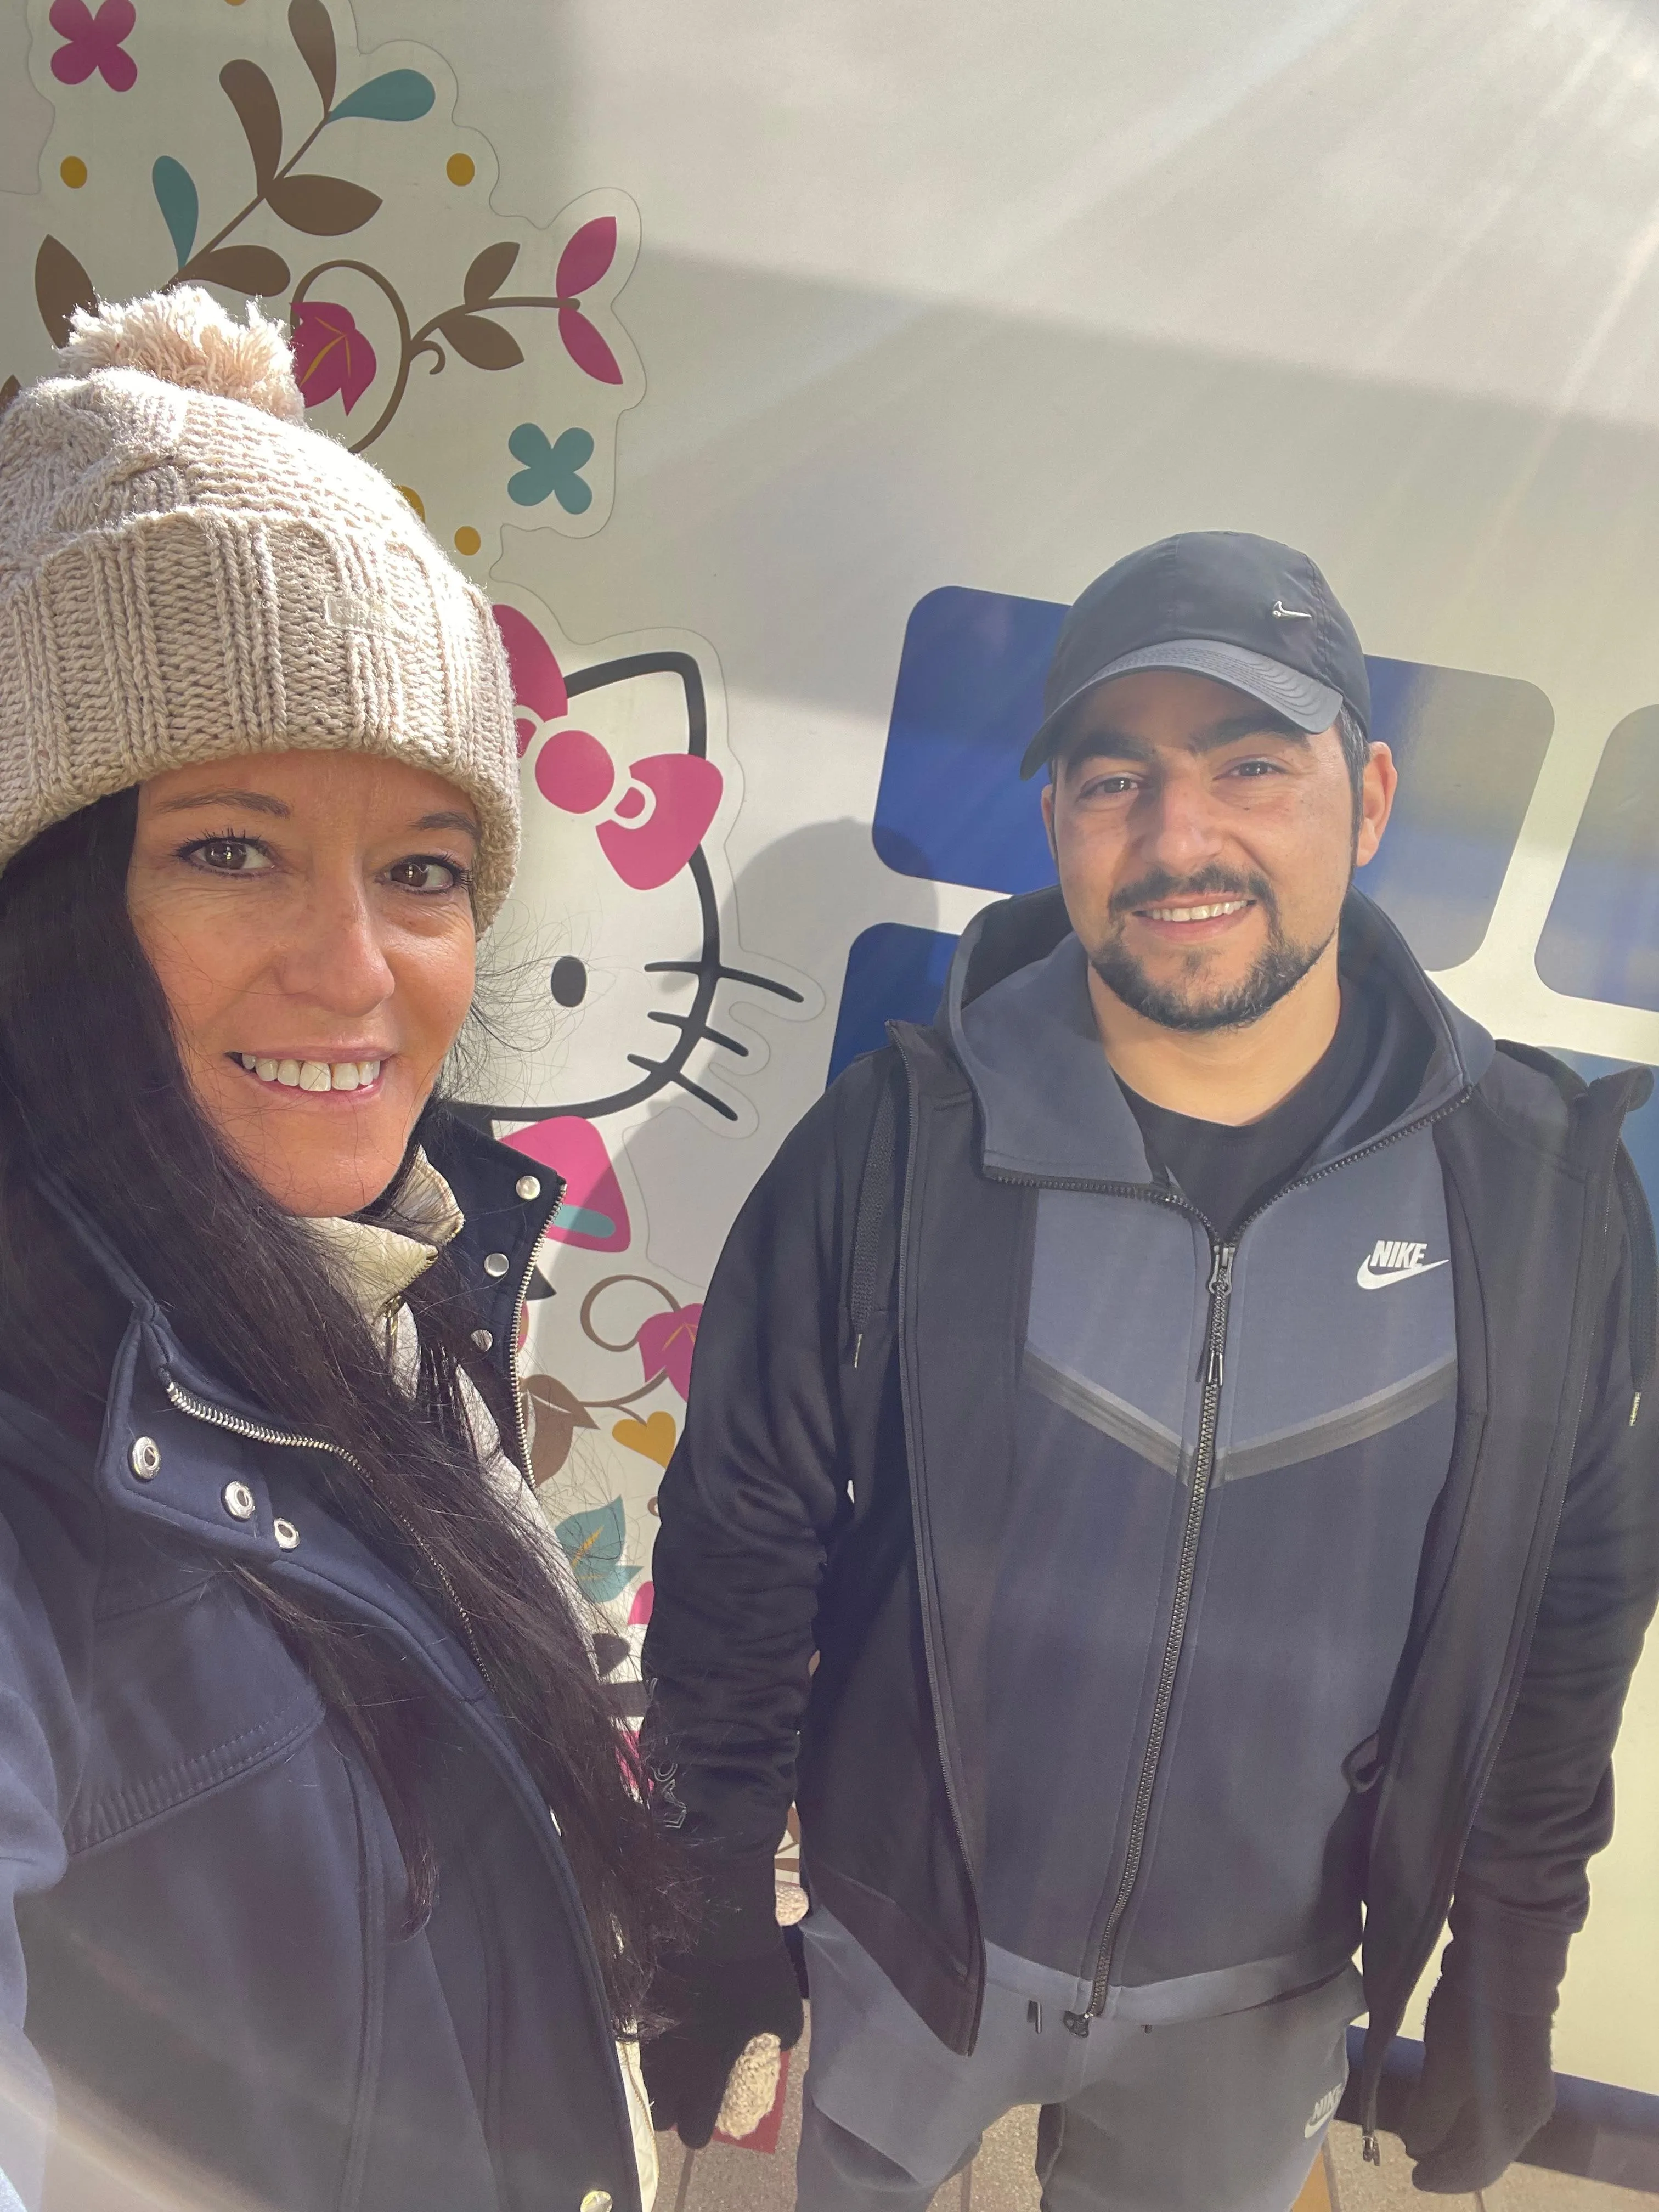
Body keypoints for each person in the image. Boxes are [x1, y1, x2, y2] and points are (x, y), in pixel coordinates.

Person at [640, 529, 1659, 2210]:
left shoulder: (1539, 1195)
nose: (1182, 838)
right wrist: (709, 1908)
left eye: (1252, 764)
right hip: (908, 1951)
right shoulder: (895, 1145)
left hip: (1262, 2002)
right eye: (1117, 779)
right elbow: (739, 1544)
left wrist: (1512, 1953)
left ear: (1373, 793)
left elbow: (1574, 1602)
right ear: (1056, 821)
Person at [0, 287, 682, 2212]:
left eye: (425, 870)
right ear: (42, 897)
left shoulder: (368, 1289)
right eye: (232, 846)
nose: (358, 969)